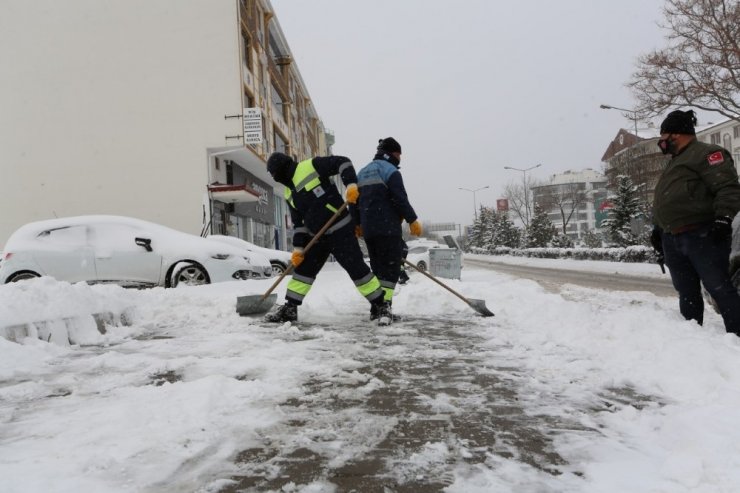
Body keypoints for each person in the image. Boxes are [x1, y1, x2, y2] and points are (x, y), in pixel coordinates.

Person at [263, 152, 390, 324]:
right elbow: (299, 224)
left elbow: (343, 162)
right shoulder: (288, 193)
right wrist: (299, 248)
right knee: (303, 272)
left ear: (281, 169)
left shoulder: (310, 166)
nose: (274, 177)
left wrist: (351, 184)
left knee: (357, 270)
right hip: (318, 237)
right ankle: (290, 308)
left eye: (273, 174)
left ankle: (380, 305)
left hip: (341, 230)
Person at [650, 109, 740, 336]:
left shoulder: (707, 154)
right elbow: (669, 199)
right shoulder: (675, 162)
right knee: (686, 292)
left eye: (663, 138)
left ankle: (737, 336)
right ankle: (693, 343)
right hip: (673, 238)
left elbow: (727, 188)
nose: (661, 143)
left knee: (719, 287)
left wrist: (723, 218)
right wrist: (658, 229)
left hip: (702, 234)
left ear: (675, 135)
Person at [353, 137, 422, 322]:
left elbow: (353, 201)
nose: (400, 158)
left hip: (369, 230)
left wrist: (357, 223)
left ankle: (376, 309)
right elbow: (400, 198)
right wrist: (412, 219)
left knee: (377, 269)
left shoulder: (362, 172)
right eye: (399, 154)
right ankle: (384, 310)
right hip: (388, 228)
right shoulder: (390, 171)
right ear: (393, 153)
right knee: (390, 270)